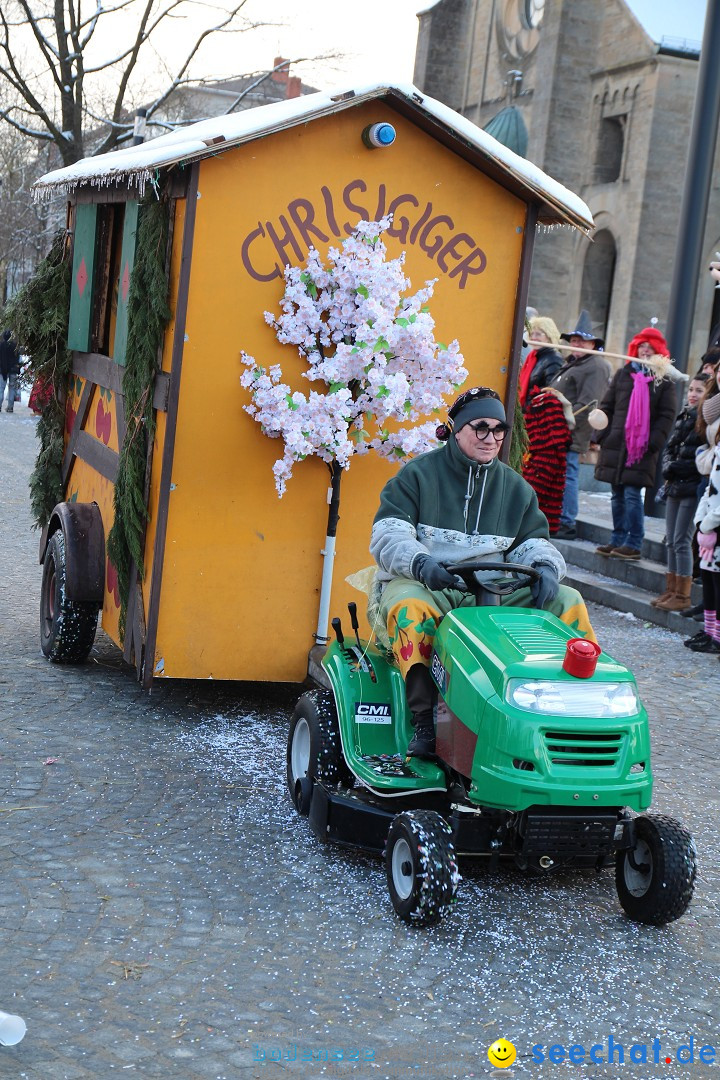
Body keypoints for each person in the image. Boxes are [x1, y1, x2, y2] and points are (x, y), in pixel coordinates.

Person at [369, 386, 597, 758]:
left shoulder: (516, 488)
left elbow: (534, 543)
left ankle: (576, 712)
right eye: (480, 428)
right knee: (410, 606)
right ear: (455, 429)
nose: (491, 438)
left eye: (499, 429)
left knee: (569, 600)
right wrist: (421, 563)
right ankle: (425, 721)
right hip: (431, 584)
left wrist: (546, 568)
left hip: (494, 589)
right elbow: (388, 534)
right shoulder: (417, 475)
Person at [592, 327, 677, 560]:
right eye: (642, 347)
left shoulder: (664, 380)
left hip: (641, 448)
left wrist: (653, 443)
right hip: (616, 444)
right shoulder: (623, 374)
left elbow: (666, 416)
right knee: (617, 495)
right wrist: (601, 434)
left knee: (631, 495)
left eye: (650, 348)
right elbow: (607, 406)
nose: (645, 351)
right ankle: (617, 539)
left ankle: (634, 542)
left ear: (658, 351)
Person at [550, 310, 612, 539]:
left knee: (568, 475)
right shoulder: (575, 363)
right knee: (559, 475)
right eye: (574, 340)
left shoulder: (595, 366)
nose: (576, 344)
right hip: (557, 430)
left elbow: (587, 405)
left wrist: (560, 424)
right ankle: (557, 517)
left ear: (593, 343)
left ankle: (567, 521)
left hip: (570, 432)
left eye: (581, 340)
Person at [650, 374, 708, 610]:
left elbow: (700, 458)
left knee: (682, 540)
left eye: (699, 390)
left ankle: (683, 595)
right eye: (691, 389)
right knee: (671, 540)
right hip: (675, 484)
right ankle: (671, 589)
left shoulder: (704, 420)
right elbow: (670, 448)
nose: (693, 394)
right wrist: (668, 467)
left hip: (691, 487)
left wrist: (674, 466)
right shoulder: (684, 415)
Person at [685, 424, 720, 654]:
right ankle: (709, 632)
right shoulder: (717, 451)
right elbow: (710, 491)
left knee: (718, 585)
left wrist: (707, 524)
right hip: (710, 527)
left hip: (716, 527)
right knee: (708, 581)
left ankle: (717, 636)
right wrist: (700, 523)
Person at [517, 316, 563, 409]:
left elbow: (551, 391)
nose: (533, 337)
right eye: (531, 334)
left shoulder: (553, 359)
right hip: (528, 411)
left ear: (549, 336)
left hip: (537, 414)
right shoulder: (534, 357)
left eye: (538, 334)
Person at [0, 329, 21, 414]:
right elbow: (17, 359)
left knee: (1, 389)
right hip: (13, 370)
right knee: (12, 389)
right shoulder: (15, 346)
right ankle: (10, 407)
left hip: (2, 370)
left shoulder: (1, 345)